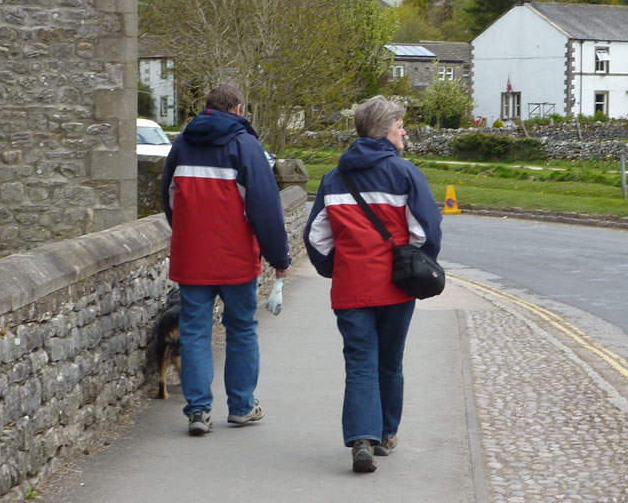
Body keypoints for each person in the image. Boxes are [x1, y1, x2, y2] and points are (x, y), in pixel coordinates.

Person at [303, 96, 442, 472]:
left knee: (360, 362)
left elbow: (315, 238)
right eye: (401, 126)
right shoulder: (404, 173)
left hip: (351, 287)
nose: (404, 132)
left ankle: (361, 439)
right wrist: (416, 263)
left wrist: (337, 267)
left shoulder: (334, 178)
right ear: (384, 131)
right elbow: (427, 231)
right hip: (396, 287)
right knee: (390, 361)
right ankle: (386, 433)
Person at [161, 82, 290, 436]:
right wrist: (279, 256)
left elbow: (169, 198)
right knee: (242, 329)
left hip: (192, 256)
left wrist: (187, 232)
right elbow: (265, 208)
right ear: (237, 109)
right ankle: (241, 406)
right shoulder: (245, 146)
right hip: (235, 258)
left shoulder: (183, 144)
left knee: (195, 332)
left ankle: (198, 411)